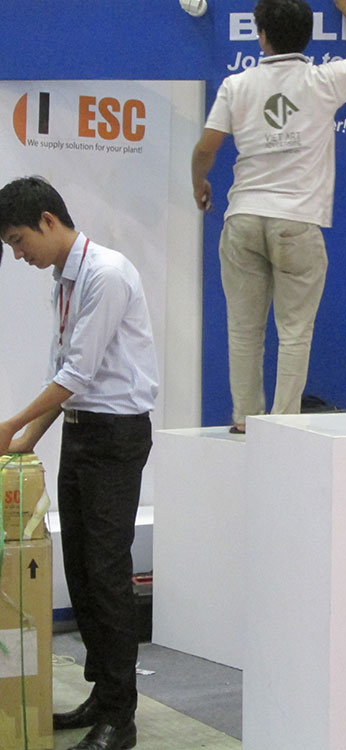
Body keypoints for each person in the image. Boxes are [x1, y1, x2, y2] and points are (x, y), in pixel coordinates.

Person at [0, 177, 158, 750]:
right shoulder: (64, 281)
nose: (19, 256)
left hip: (116, 436)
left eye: (19, 241)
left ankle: (122, 717)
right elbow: (64, 375)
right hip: (80, 431)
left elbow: (80, 374)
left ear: (47, 220)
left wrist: (11, 426)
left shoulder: (106, 274)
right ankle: (102, 692)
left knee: (108, 574)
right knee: (83, 571)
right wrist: (27, 440)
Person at [191, 0, 346, 433]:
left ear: (261, 35)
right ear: (309, 36)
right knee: (295, 330)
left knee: (244, 330)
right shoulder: (323, 80)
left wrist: (199, 183)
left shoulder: (235, 85)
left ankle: (245, 418)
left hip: (243, 217)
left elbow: (206, 147)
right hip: (297, 222)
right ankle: (283, 424)